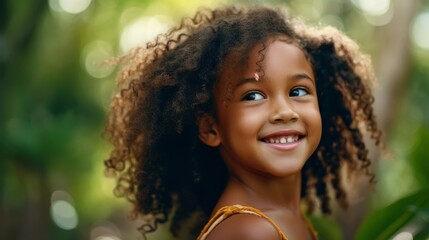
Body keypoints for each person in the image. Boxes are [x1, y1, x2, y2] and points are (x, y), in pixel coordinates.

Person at [104, 4, 381, 240]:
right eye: (253, 95)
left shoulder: (281, 219)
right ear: (211, 128)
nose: (285, 112)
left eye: (298, 91)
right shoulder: (250, 231)